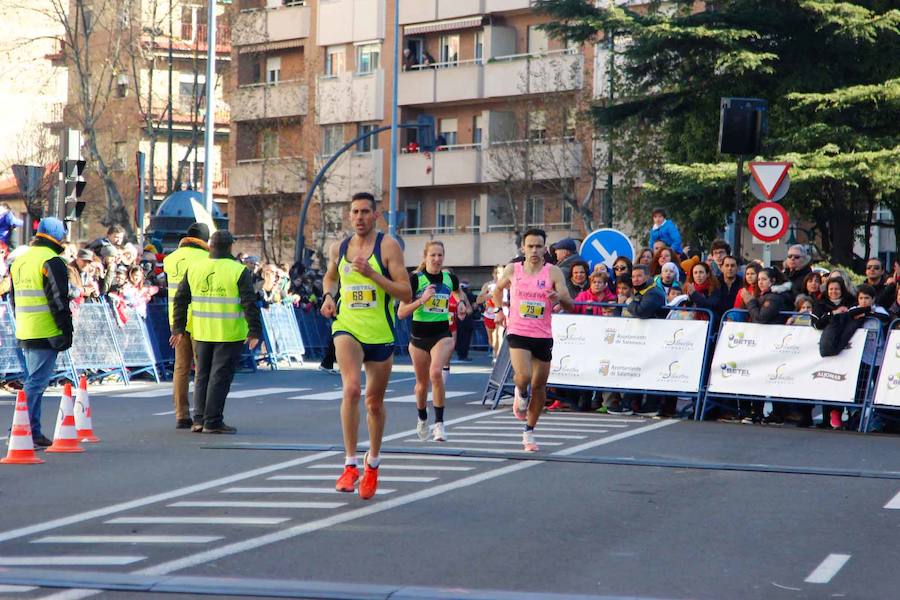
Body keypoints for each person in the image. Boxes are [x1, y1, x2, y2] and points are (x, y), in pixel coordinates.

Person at [320, 192, 412, 500]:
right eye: (354, 212)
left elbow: (405, 293)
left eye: (365, 212)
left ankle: (372, 463)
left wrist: (372, 274)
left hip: (380, 332)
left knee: (373, 403)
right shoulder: (339, 248)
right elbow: (330, 278)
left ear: (376, 215)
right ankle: (349, 464)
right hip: (347, 327)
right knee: (351, 390)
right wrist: (329, 297)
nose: (359, 217)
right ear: (349, 216)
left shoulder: (388, 246)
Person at [170, 230, 260, 434]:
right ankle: (213, 421)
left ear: (210, 246)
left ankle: (198, 420)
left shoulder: (195, 268)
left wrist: (179, 328)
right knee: (220, 377)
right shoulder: (238, 270)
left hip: (201, 331)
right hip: (228, 333)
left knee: (202, 376)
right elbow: (249, 302)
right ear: (230, 247)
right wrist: (254, 330)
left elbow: (181, 299)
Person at [493, 228, 574, 451]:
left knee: (540, 386)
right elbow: (496, 290)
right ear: (523, 248)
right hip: (518, 331)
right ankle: (521, 392)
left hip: (542, 334)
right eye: (530, 246)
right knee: (524, 376)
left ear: (545, 248)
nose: (534, 250)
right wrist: (500, 311)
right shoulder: (513, 269)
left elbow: (569, 302)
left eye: (539, 246)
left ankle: (529, 432)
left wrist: (559, 298)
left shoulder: (553, 272)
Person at [9, 217, 73, 447]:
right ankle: (23, 427)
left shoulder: (20, 260)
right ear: (57, 237)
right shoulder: (51, 260)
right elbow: (58, 299)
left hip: (25, 327)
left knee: (33, 380)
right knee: (36, 382)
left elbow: (13, 298)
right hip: (46, 329)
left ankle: (31, 429)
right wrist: (66, 329)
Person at [397, 241, 457, 443]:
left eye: (440, 255)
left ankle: (439, 425)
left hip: (442, 335)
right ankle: (422, 418)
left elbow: (459, 294)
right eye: (433, 255)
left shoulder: (449, 278)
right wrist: (422, 299)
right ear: (425, 257)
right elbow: (401, 312)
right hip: (418, 338)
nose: (437, 259)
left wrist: (463, 305)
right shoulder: (416, 279)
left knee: (436, 373)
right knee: (422, 385)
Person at [162, 223, 210, 429]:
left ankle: (181, 414)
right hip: (200, 319)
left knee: (180, 368)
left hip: (176, 319)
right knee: (201, 369)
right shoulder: (206, 259)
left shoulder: (170, 259)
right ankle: (201, 414)